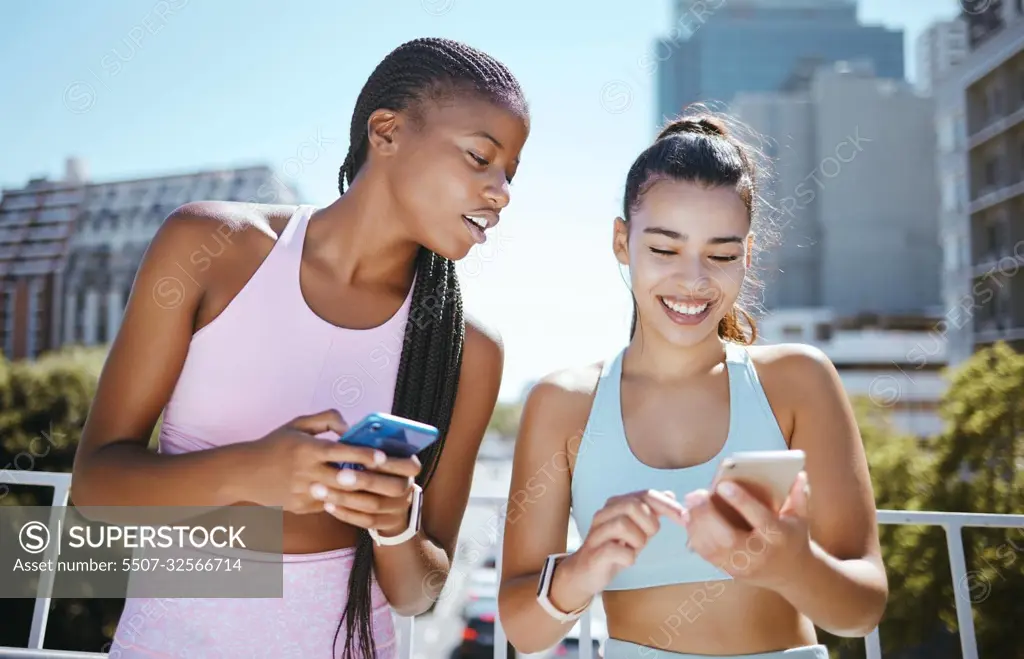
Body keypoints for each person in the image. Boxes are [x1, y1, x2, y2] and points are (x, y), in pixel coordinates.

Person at [71, 37, 530, 659]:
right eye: (481, 157)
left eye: (510, 172)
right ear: (387, 131)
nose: (501, 190)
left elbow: (419, 595)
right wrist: (252, 472)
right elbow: (96, 491)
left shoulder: (469, 350)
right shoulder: (211, 246)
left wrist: (394, 528)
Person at [497, 110, 888, 658]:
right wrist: (580, 570)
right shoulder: (562, 404)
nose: (694, 280)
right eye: (664, 249)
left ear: (747, 257)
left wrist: (795, 567)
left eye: (722, 254)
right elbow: (522, 628)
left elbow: (863, 607)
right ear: (620, 241)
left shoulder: (799, 381)